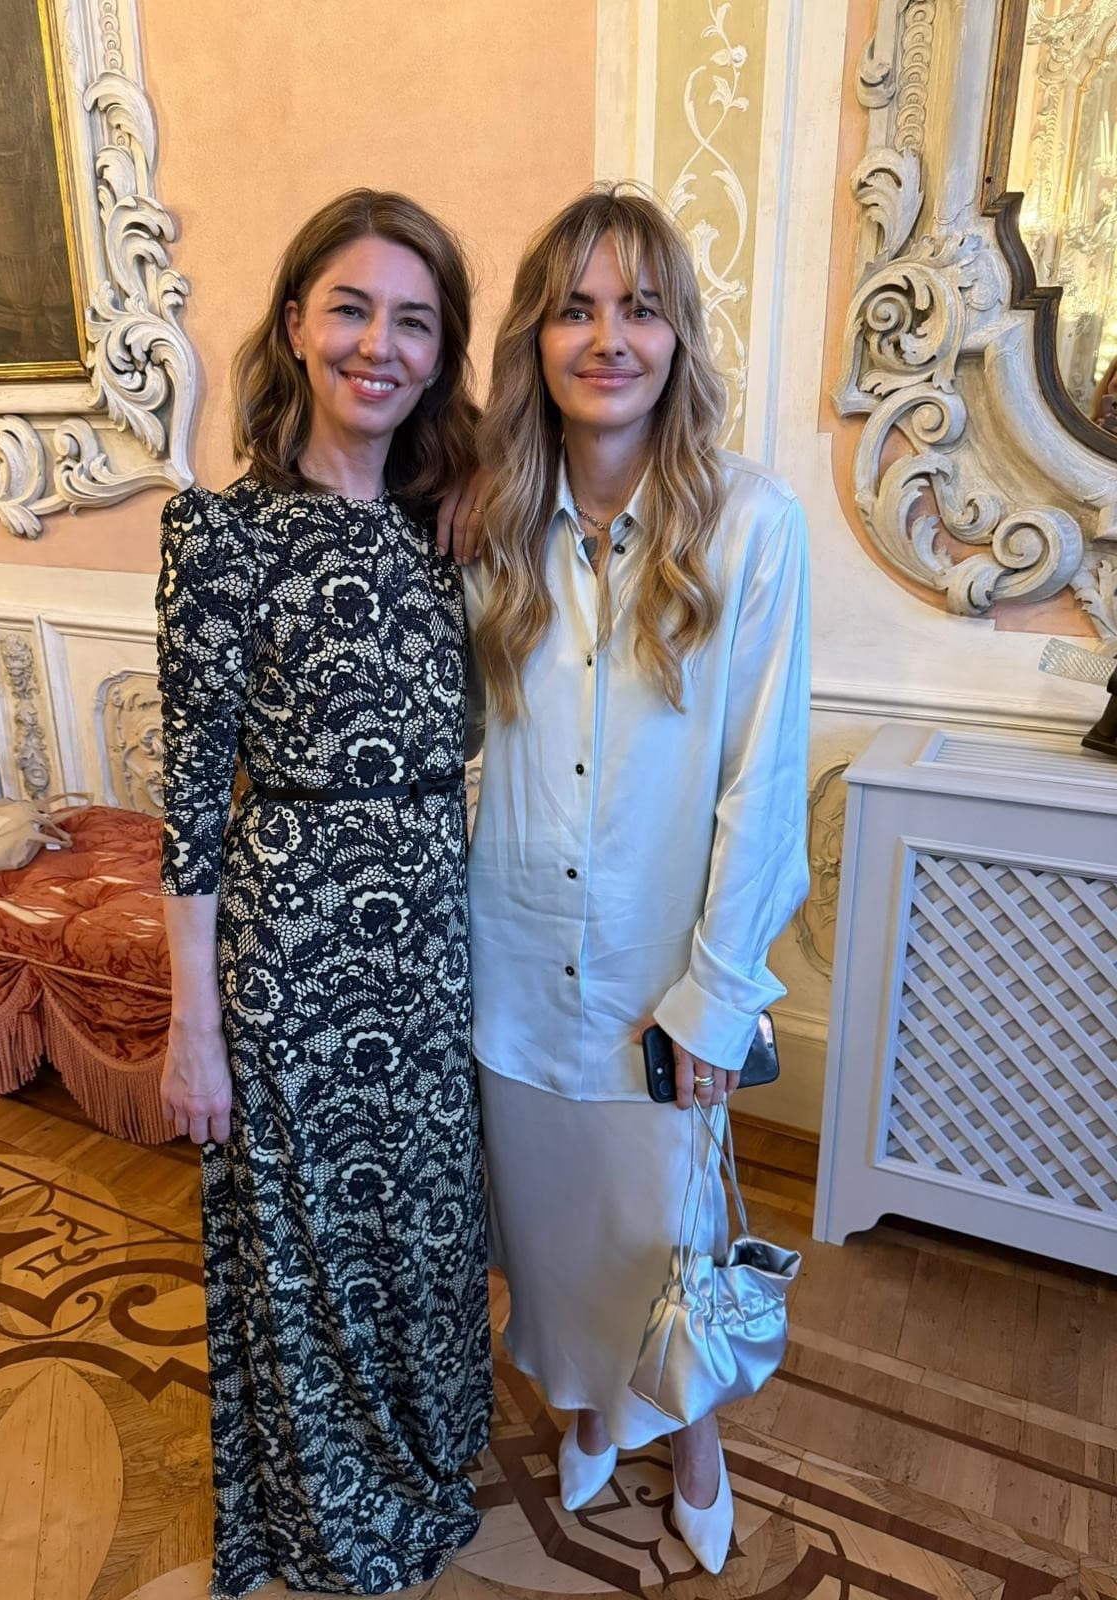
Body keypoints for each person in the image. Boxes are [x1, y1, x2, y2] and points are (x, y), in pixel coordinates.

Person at [460, 185, 810, 1574]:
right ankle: (593, 1405)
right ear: (536, 341)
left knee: (667, 1238)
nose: (609, 338)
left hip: (658, 988)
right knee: (553, 1240)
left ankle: (696, 1438)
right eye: (576, 310)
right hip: (508, 973)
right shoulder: (488, 526)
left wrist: (717, 994)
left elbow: (761, 785)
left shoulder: (752, 525)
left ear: (678, 338)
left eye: (641, 309)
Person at [156, 189, 492, 1600]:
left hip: (432, 944)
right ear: (295, 322)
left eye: (414, 322)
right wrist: (194, 1030)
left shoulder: (450, 528)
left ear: (440, 351)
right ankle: (332, 1527)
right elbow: (190, 803)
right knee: (314, 1257)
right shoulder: (220, 536)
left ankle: (425, 1472)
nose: (378, 345)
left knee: (426, 1232)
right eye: (350, 308)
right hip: (290, 957)